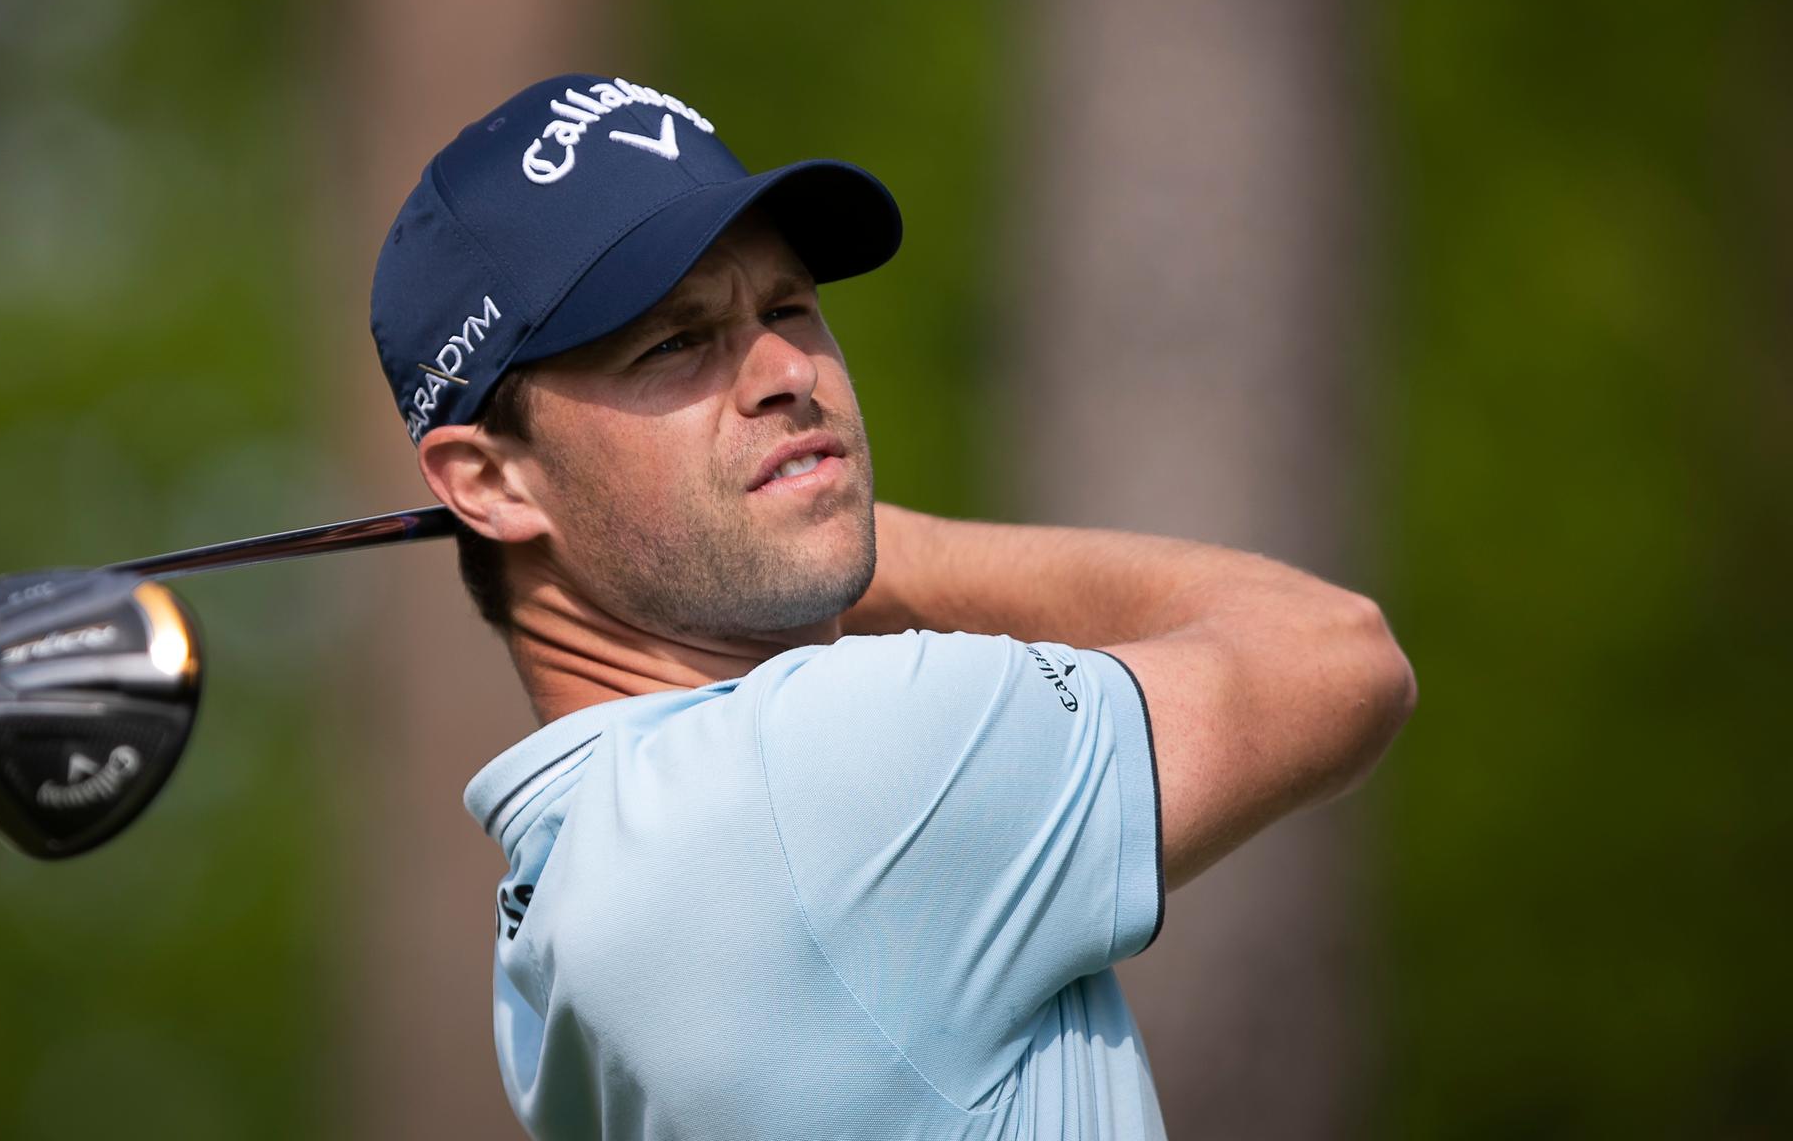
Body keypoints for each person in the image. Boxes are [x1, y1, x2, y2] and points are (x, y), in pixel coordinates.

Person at [368, 72, 1417, 1140]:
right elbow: (1336, 655)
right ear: (491, 483)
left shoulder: (558, 894)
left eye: (787, 306)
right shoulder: (819, 765)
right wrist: (897, 554)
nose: (787, 369)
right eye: (673, 342)